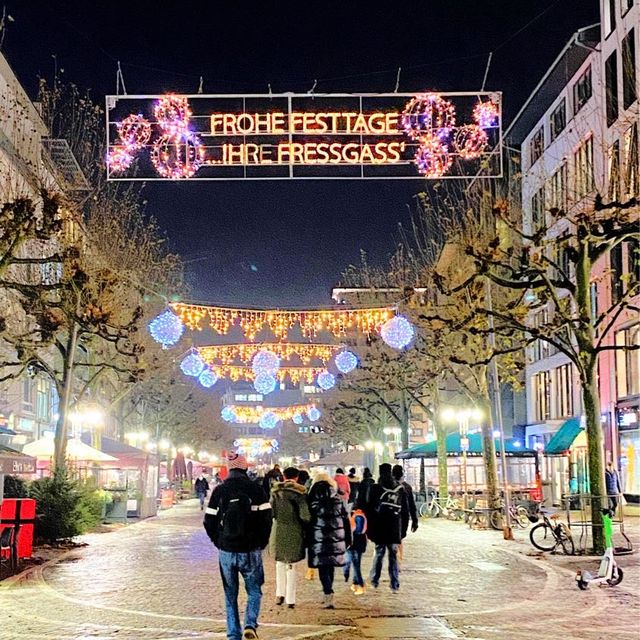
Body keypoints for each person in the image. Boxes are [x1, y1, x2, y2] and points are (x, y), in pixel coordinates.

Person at [204, 453, 272, 640]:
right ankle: (250, 624)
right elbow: (267, 519)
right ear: (245, 468)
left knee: (230, 594)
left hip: (227, 550)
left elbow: (208, 520)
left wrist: (219, 541)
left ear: (229, 468)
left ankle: (233, 633)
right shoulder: (256, 490)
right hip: (250, 549)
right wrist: (261, 542)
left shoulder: (220, 491)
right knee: (254, 590)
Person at [307, 472, 352, 609]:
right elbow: (345, 519)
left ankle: (328, 592)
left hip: (318, 537)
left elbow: (307, 520)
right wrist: (349, 538)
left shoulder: (311, 499)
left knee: (323, 566)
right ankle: (329, 590)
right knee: (330, 564)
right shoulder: (337, 498)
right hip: (335, 536)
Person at [270, 467, 311, 609]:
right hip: (294, 530)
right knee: (291, 565)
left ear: (283, 476)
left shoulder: (275, 492)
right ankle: (290, 598)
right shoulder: (299, 493)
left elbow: (272, 512)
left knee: (279, 562)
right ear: (297, 477)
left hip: (278, 530)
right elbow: (305, 516)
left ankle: (279, 594)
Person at [366, 463, 409, 592]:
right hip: (394, 526)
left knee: (379, 553)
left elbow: (370, 509)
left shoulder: (375, 488)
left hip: (380, 526)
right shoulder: (399, 489)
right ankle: (394, 583)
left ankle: (374, 580)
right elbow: (405, 511)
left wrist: (370, 529)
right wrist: (403, 531)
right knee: (393, 555)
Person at [343, 506, 367, 595]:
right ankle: (355, 583)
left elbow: (357, 530)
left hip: (354, 543)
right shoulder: (360, 515)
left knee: (355, 566)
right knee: (355, 564)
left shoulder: (356, 516)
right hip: (359, 543)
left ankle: (361, 585)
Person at [392, 465, 419, 534]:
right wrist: (415, 520)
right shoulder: (407, 487)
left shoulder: (387, 486)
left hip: (390, 517)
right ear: (402, 475)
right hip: (403, 516)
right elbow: (412, 506)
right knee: (400, 537)